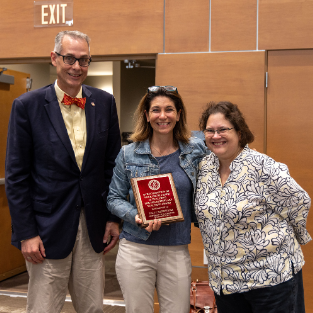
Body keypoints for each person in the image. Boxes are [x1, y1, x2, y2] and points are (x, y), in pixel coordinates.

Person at [5, 30, 121, 313]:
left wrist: (112, 217)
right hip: (45, 229)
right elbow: (17, 177)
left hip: (92, 225)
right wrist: (26, 233)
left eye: (84, 60)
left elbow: (113, 166)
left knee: (92, 307)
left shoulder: (104, 103)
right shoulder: (27, 106)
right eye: (70, 58)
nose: (76, 67)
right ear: (54, 59)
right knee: (44, 307)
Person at [195, 101, 311, 313]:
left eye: (223, 129)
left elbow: (299, 201)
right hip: (226, 284)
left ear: (239, 132)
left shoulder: (262, 166)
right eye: (210, 130)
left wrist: (288, 237)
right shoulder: (204, 168)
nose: (215, 135)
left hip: (270, 280)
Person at [107, 86, 208, 313]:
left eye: (169, 110)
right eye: (156, 110)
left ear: (179, 114)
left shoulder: (196, 150)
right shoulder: (128, 154)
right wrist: (135, 216)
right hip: (136, 249)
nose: (163, 116)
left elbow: (229, 145)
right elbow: (113, 198)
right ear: (146, 115)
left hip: (176, 249)